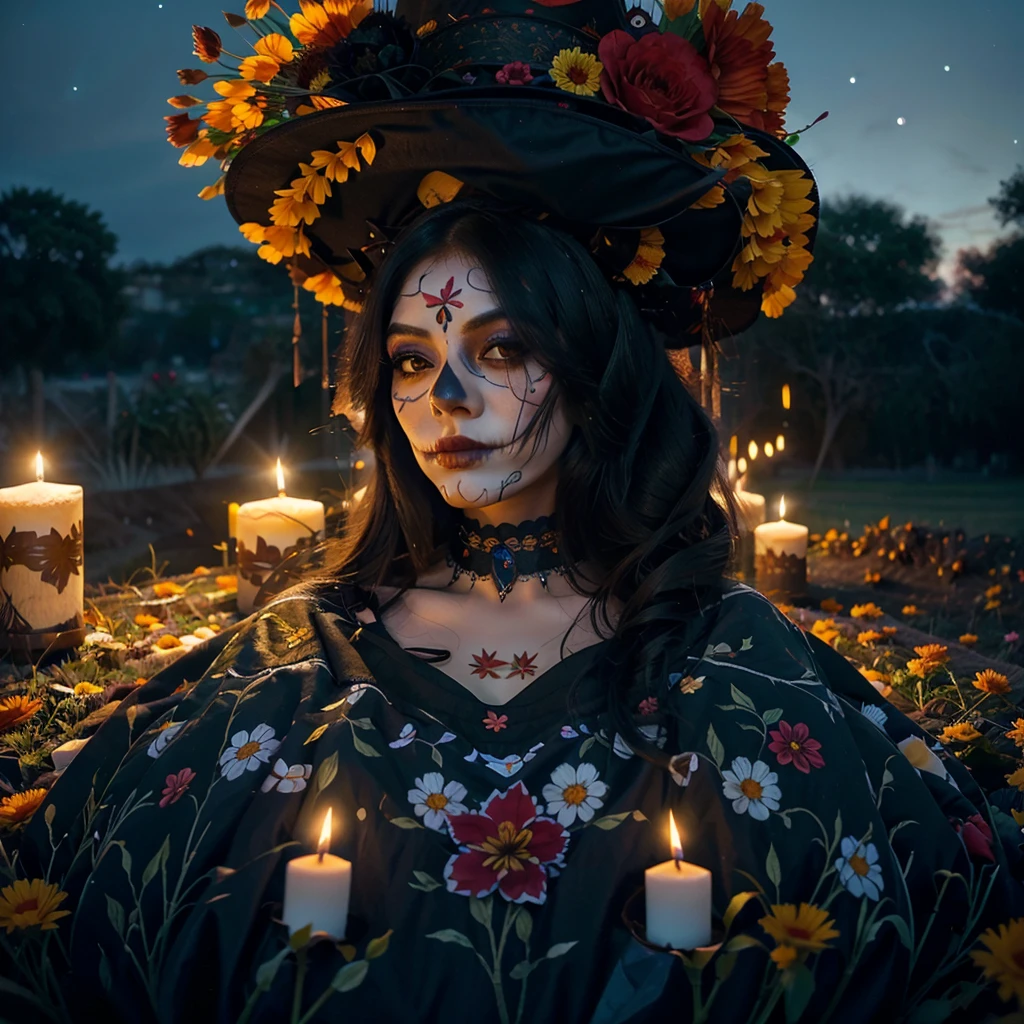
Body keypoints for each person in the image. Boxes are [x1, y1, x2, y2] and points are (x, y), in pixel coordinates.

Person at [16, 0, 1024, 1022]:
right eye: (412, 360)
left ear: (594, 365)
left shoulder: (743, 664)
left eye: (501, 348)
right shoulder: (284, 662)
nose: (445, 397)